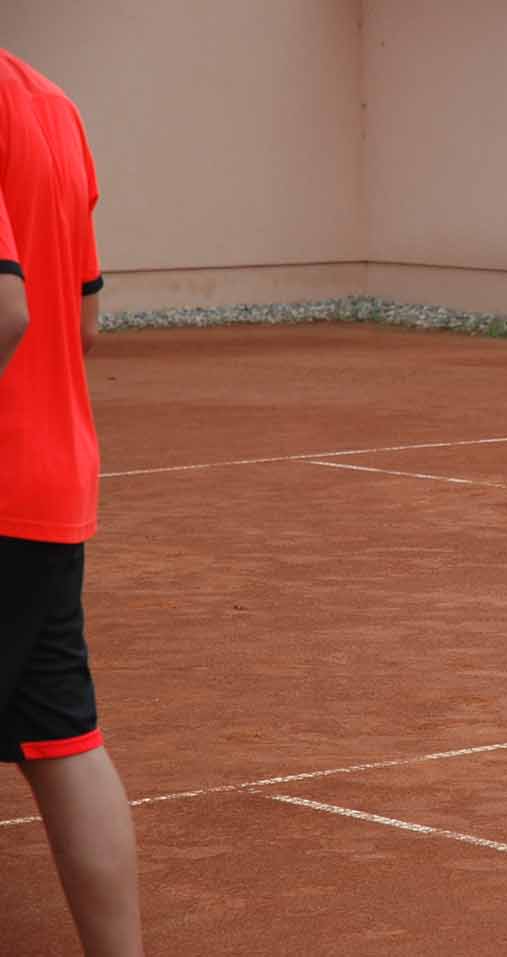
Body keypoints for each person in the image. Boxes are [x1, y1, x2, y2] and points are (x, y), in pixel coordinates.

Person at [1, 48, 145, 955]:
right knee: (63, 741)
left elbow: (4, 312)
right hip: (52, 480)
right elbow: (83, 322)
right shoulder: (52, 104)